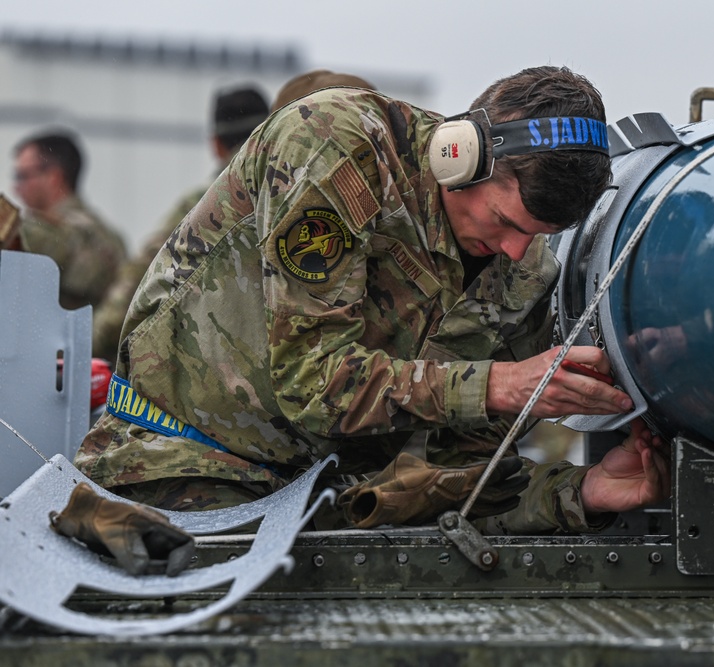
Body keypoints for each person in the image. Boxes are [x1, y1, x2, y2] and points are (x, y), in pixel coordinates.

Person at [75, 65, 668, 534]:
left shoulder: (523, 276)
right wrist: (497, 384)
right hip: (175, 475)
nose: (516, 251)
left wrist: (580, 492)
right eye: (507, 221)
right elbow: (311, 382)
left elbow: (459, 482)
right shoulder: (338, 147)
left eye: (536, 236)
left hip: (321, 507)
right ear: (459, 154)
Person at [91, 86, 271, 361]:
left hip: (225, 363)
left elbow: (146, 276)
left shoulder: (204, 203)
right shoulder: (295, 193)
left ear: (216, 144)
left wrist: (95, 343)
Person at [12, 132, 127, 310]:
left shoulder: (57, 231)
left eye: (22, 176)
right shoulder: (109, 235)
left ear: (53, 177)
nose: (15, 188)